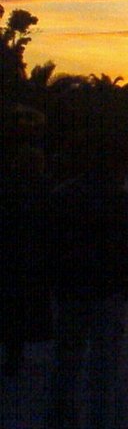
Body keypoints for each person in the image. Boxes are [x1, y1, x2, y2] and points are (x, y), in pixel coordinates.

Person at [48, 135, 128, 429]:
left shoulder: (61, 196)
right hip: (106, 292)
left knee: (65, 368)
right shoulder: (117, 198)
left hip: (70, 292)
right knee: (103, 373)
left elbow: (49, 246)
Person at [0, 141, 53, 377]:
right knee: (20, 308)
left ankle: (12, 353)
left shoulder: (7, 185)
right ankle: (14, 354)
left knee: (10, 307)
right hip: (30, 259)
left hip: (9, 257)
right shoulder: (44, 187)